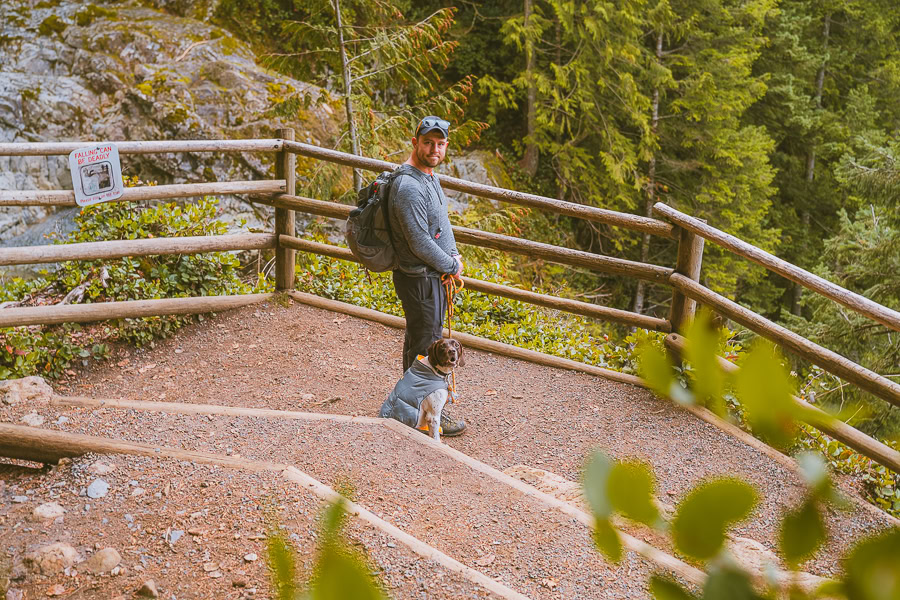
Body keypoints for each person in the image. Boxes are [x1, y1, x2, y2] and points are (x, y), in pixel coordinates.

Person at [387, 116, 466, 436]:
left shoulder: (428, 177)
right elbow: (419, 241)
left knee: (417, 342)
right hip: (419, 277)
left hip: (427, 275)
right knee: (426, 346)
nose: (434, 149)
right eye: (428, 142)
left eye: (440, 144)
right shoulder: (408, 186)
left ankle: (410, 408)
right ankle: (424, 415)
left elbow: (438, 227)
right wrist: (451, 266)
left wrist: (453, 255)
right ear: (415, 142)